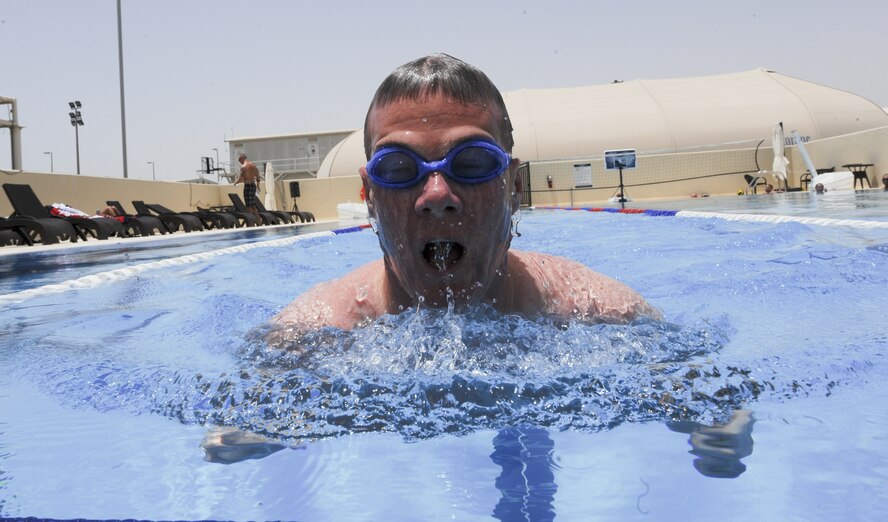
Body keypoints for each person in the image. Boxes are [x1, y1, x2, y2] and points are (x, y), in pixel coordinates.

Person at [273, 54, 659, 334]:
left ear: (514, 188)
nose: (437, 194)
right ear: (370, 197)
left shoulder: (602, 312)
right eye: (399, 168)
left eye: (472, 163)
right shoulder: (314, 331)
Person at [234, 153, 261, 221]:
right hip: (253, 186)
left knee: (248, 206)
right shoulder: (254, 166)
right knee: (253, 205)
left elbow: (240, 178)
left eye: (239, 160)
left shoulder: (243, 167)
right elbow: (258, 178)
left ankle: (251, 222)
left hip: (248, 186)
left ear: (242, 158)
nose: (240, 162)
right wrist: (258, 186)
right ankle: (259, 221)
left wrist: (235, 183)